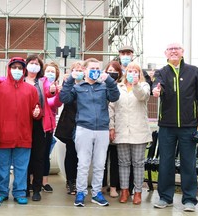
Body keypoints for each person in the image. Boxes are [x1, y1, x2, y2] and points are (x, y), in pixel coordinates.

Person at [152, 43, 198, 212]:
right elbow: (157, 85)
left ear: (182, 52)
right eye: (170, 49)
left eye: (177, 48)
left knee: (188, 164)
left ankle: (190, 199)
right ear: (165, 53)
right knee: (166, 163)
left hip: (189, 126)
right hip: (167, 127)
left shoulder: (194, 72)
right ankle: (165, 198)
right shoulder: (161, 72)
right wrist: (156, 90)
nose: (174, 51)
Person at [60, 58, 120, 207]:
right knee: (83, 163)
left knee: (100, 164)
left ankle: (96, 193)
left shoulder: (104, 86)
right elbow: (65, 98)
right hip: (83, 128)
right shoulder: (78, 87)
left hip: (101, 129)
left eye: (97, 68)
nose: (95, 71)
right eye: (92, 68)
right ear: (85, 70)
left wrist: (110, 81)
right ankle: (80, 192)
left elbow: (115, 96)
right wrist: (69, 80)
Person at [0, 57, 41, 204]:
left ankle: (19, 192)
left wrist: (37, 113)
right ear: (9, 69)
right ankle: (2, 192)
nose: (17, 70)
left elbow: (37, 110)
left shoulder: (31, 90)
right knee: (2, 168)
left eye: (20, 68)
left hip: (23, 136)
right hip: (2, 136)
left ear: (24, 71)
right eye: (14, 67)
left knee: (21, 168)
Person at [109, 62, 152, 205]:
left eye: (136, 71)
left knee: (138, 163)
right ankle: (125, 191)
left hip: (139, 131)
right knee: (123, 163)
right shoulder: (118, 87)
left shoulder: (144, 86)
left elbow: (142, 96)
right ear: (125, 73)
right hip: (121, 130)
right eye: (130, 70)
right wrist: (112, 127)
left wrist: (136, 84)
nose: (132, 73)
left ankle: (138, 192)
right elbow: (112, 108)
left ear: (139, 74)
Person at [25, 54, 58, 201]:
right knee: (24, 157)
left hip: (39, 124)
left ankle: (37, 188)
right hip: (23, 124)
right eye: (31, 63)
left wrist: (52, 90)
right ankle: (25, 186)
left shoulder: (42, 81)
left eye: (36, 63)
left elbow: (48, 91)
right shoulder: (20, 80)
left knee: (39, 157)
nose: (33, 66)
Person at [55, 61, 84, 195]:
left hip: (84, 123)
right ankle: (71, 181)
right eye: (75, 69)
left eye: (80, 69)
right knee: (71, 152)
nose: (78, 72)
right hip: (70, 124)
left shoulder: (87, 84)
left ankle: (80, 181)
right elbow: (64, 99)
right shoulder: (68, 84)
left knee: (81, 155)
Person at [102, 60, 123, 198]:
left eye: (114, 71)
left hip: (117, 127)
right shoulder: (101, 85)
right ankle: (103, 185)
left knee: (115, 159)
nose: (111, 74)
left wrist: (113, 127)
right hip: (102, 126)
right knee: (102, 159)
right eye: (108, 71)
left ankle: (114, 186)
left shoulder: (121, 86)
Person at [43, 62, 62, 192]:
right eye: (48, 71)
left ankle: (45, 181)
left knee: (45, 154)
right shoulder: (39, 85)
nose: (50, 74)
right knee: (35, 154)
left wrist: (58, 94)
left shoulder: (56, 89)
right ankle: (33, 180)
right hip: (36, 124)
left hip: (49, 126)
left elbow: (55, 104)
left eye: (52, 72)